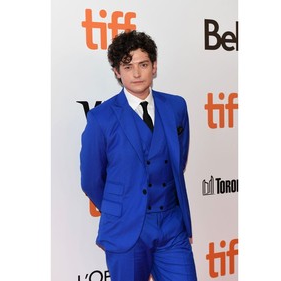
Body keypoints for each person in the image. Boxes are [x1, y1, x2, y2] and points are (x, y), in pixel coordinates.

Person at [80, 30, 197, 281]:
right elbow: (91, 179)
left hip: (172, 224)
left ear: (154, 67)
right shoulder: (101, 118)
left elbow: (180, 157)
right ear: (116, 72)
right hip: (127, 228)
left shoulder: (176, 107)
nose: (136, 73)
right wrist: (122, 207)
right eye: (127, 65)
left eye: (143, 64)